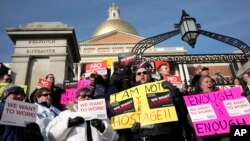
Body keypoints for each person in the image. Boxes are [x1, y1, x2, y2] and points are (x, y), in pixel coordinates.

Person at [131, 63, 186, 141]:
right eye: (139, 73)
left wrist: (174, 92)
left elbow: (177, 105)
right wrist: (132, 125)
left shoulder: (162, 87)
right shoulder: (130, 94)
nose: (142, 75)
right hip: (143, 134)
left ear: (149, 76)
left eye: (145, 73)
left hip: (163, 131)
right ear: (136, 77)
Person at [46, 87, 119, 141]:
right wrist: (69, 124)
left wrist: (103, 128)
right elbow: (52, 136)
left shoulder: (101, 115)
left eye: (89, 96)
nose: (87, 98)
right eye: (83, 96)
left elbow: (114, 138)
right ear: (77, 99)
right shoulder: (66, 114)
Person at [191, 76, 228, 141]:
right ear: (201, 86)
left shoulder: (219, 95)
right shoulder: (196, 99)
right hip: (208, 134)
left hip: (223, 131)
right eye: (206, 82)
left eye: (210, 82)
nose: (210, 83)